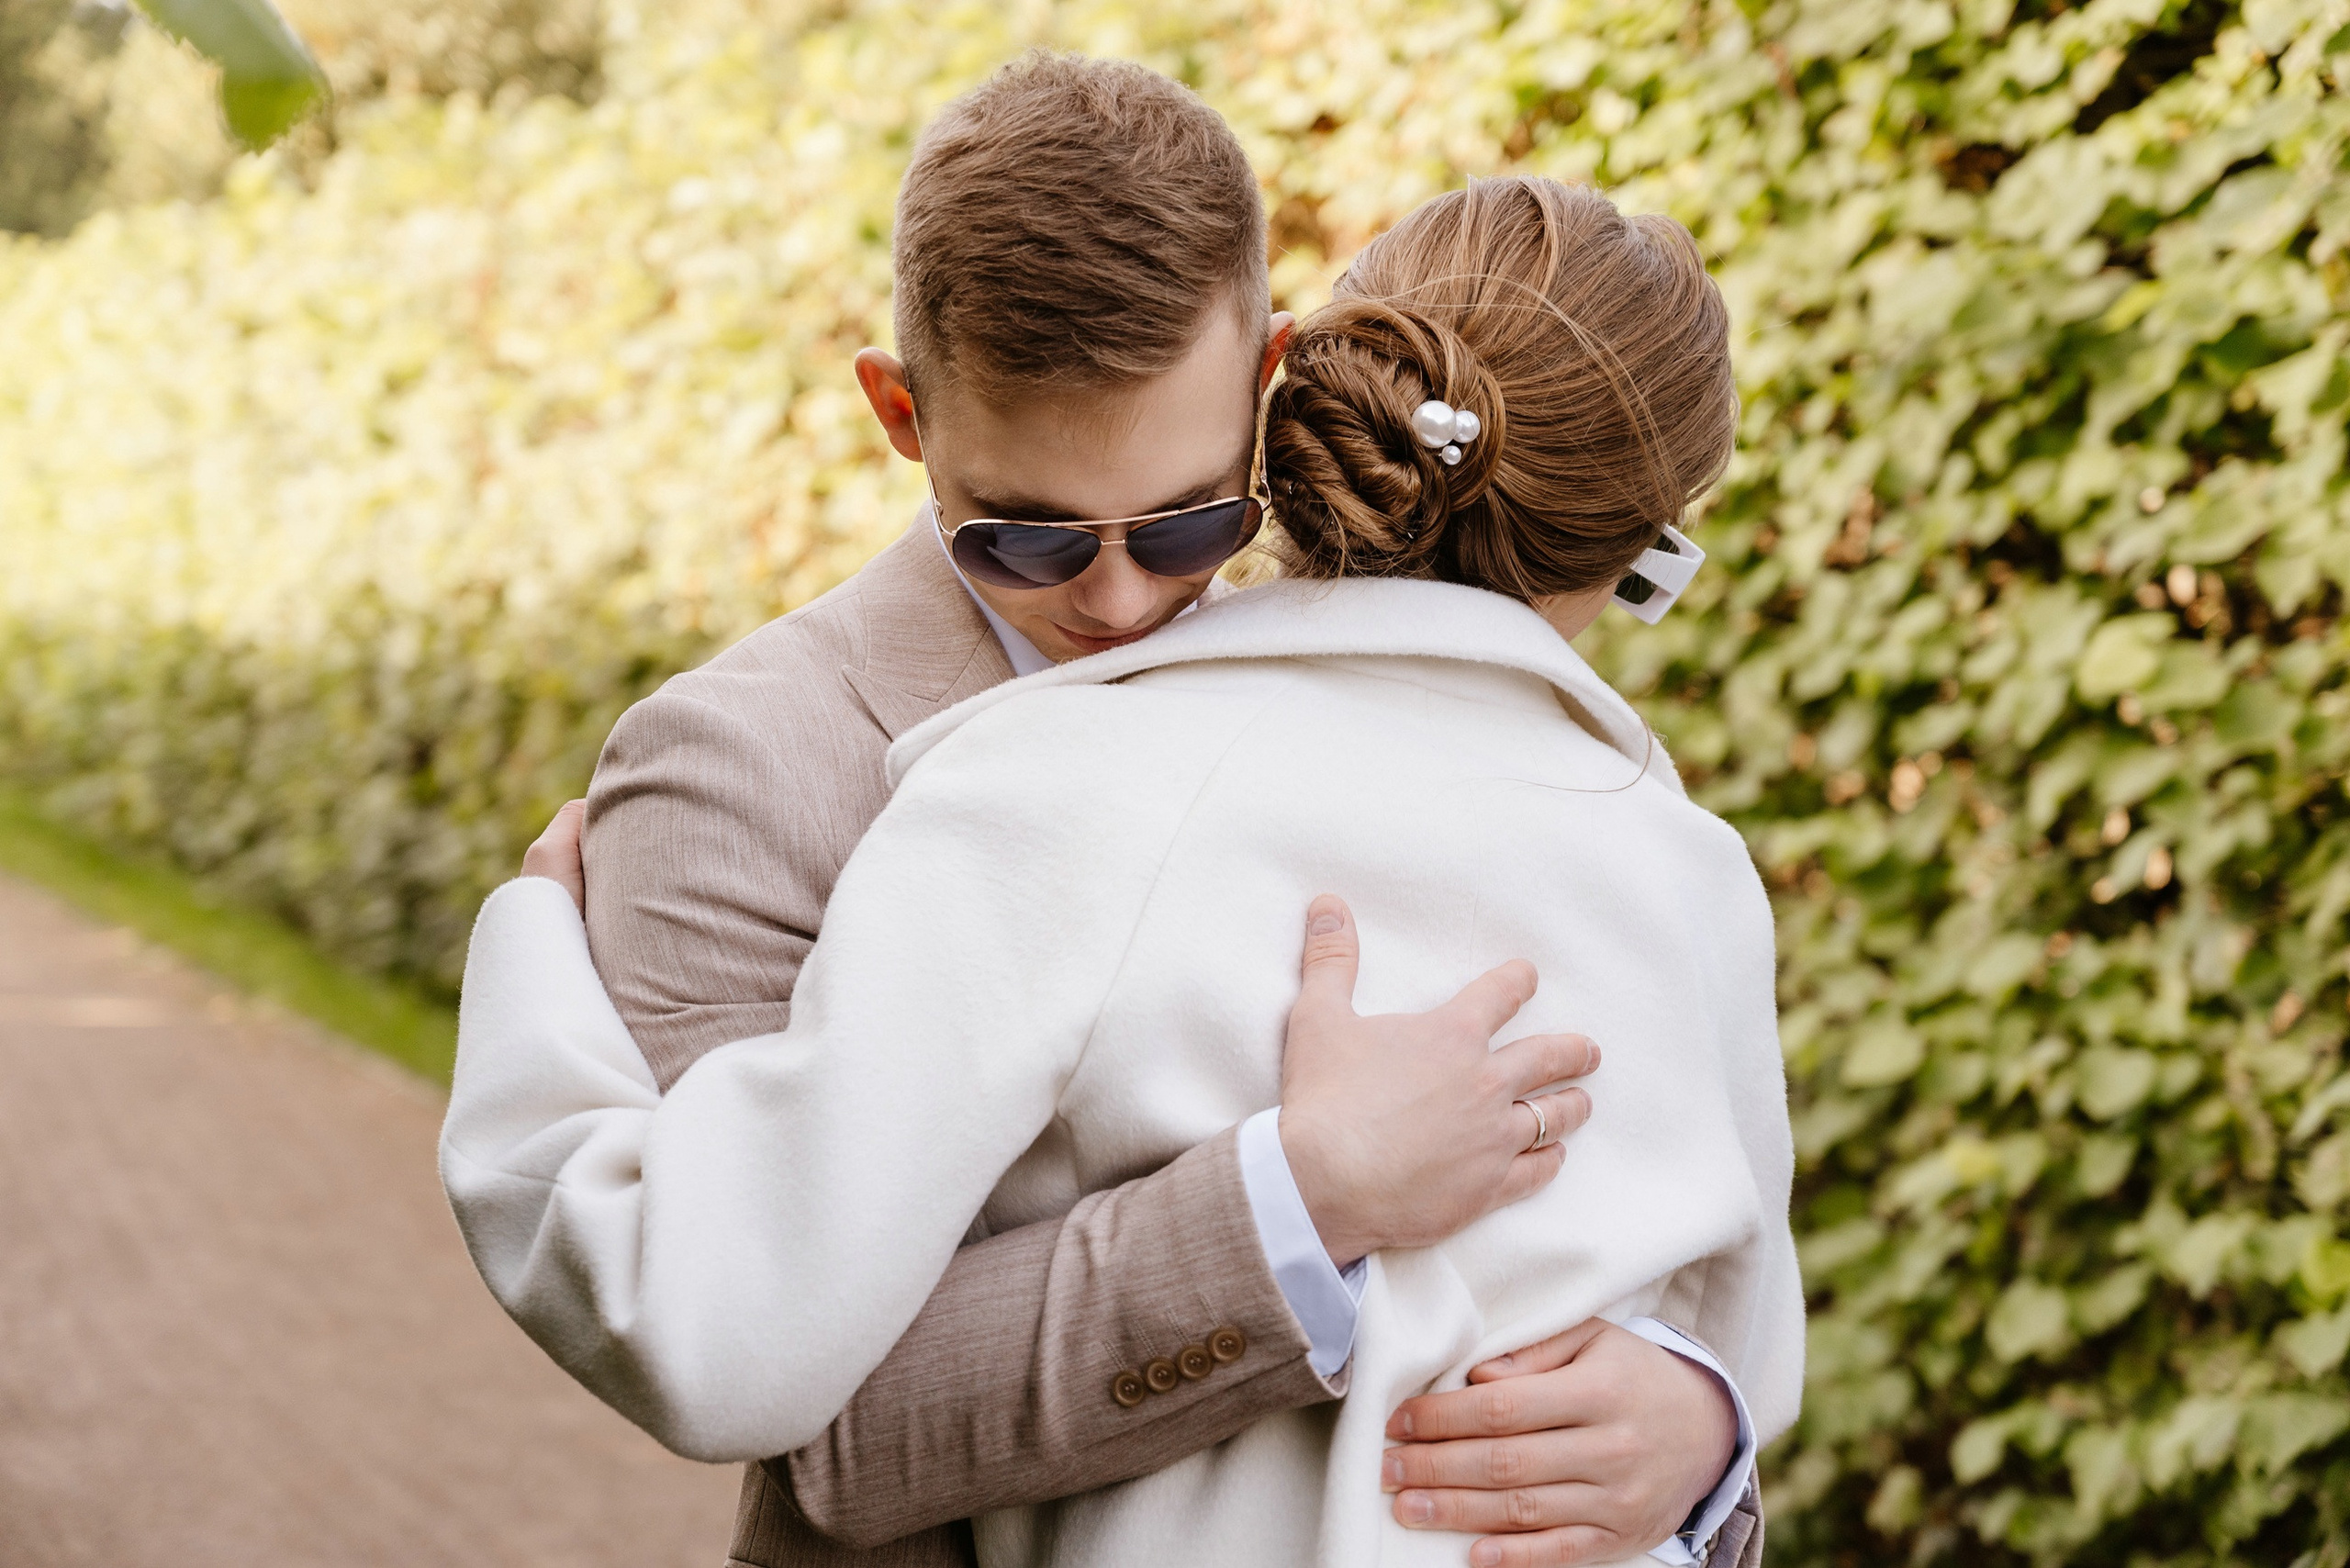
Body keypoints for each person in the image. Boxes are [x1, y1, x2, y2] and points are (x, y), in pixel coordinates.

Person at [469, 56, 1761, 1568]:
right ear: (901, 412)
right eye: (1025, 537)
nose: (1126, 599)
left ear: (1269, 382)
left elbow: (1633, 1238)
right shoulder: (736, 764)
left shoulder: (1446, 727)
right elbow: (823, 1424)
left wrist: (1699, 1436)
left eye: (1197, 520)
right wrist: (1307, 1197)